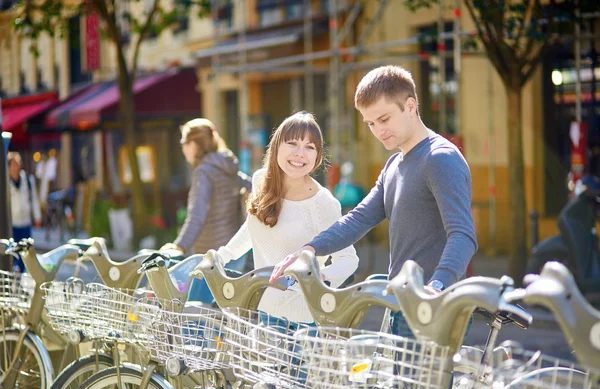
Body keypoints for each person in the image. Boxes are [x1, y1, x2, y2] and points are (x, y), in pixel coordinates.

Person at [271, 66, 477, 337]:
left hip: (433, 307)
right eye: (370, 124)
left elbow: (463, 235)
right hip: (402, 304)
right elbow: (358, 219)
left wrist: (437, 286)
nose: (378, 131)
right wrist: (309, 249)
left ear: (411, 106)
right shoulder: (395, 164)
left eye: (384, 119)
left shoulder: (439, 159)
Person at [193, 111, 359, 323]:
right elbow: (253, 226)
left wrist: (317, 280)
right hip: (262, 311)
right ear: (276, 146)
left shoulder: (322, 203)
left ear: (317, 156)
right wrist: (221, 256)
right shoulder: (261, 180)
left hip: (302, 322)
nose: (300, 153)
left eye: (310, 147)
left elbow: (348, 259)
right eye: (292, 143)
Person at [161, 118, 251, 303]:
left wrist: (179, 246)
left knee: (197, 313)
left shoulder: (203, 172)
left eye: (184, 143)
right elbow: (253, 185)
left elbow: (197, 215)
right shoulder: (229, 167)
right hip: (235, 251)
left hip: (213, 257)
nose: (183, 148)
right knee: (228, 312)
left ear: (194, 144)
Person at [8, 152, 42, 273]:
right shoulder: (5, 182)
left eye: (18, 163)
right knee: (13, 251)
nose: (16, 166)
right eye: (14, 164)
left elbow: (34, 199)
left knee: (26, 252)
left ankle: (20, 275)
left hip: (25, 221)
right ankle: (14, 274)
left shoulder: (28, 180)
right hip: (13, 222)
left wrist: (37, 216)